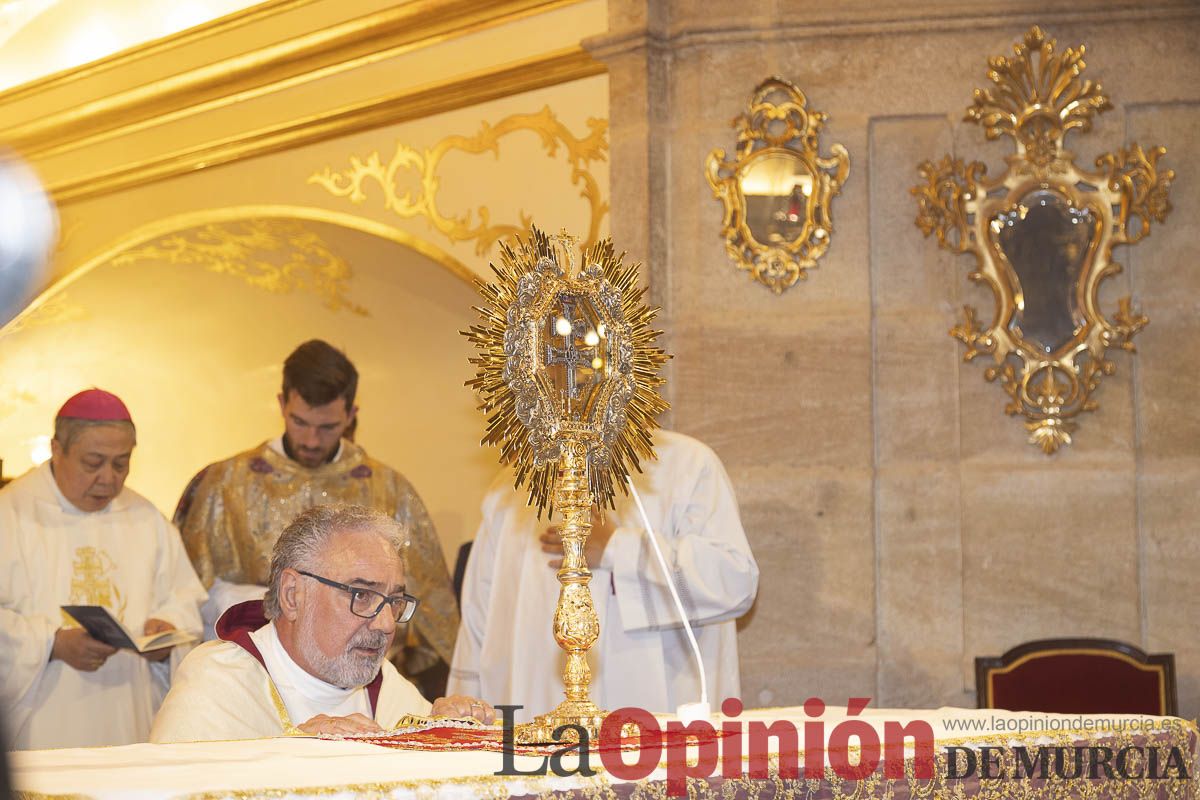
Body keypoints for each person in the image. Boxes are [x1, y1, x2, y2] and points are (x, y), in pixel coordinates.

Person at [173, 339, 457, 696]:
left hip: (355, 681)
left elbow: (431, 609)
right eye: (299, 421)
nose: (310, 439)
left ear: (351, 415)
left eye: (327, 427)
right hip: (251, 678)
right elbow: (185, 591)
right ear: (281, 404)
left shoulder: (388, 488)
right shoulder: (225, 483)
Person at [448, 429, 758, 723]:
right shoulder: (510, 491)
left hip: (653, 727)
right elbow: (479, 626)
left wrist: (617, 548)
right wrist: (460, 729)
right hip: (534, 729)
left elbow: (735, 581)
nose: (571, 381)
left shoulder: (685, 465)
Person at [151, 505, 493, 742]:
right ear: (292, 594)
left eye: (393, 600)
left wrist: (446, 733)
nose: (387, 625)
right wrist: (296, 754)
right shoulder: (220, 680)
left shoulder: (385, 685)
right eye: (361, 595)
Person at [0, 389, 206, 749]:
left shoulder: (146, 519)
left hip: (129, 715)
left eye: (121, 463)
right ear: (57, 449)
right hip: (41, 727)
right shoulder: (11, 514)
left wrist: (167, 633)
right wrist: (50, 643)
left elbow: (184, 600)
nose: (109, 479)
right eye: (93, 463)